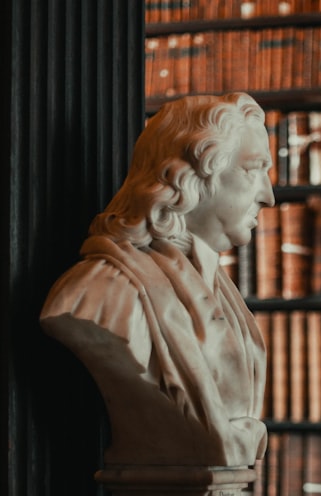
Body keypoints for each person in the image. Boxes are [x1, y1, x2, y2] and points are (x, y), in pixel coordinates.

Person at [41, 92, 275, 468]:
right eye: (253, 170)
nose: (269, 196)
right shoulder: (101, 293)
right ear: (190, 175)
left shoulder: (223, 291)